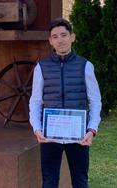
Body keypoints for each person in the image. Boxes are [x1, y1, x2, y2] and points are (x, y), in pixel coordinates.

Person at [29, 18, 102, 188]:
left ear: (72, 37)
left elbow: (95, 100)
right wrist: (37, 128)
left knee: (80, 181)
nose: (60, 40)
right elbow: (36, 100)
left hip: (79, 136)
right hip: (49, 135)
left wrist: (92, 129)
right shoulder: (41, 67)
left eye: (64, 35)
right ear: (50, 41)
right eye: (55, 36)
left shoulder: (85, 66)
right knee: (49, 182)